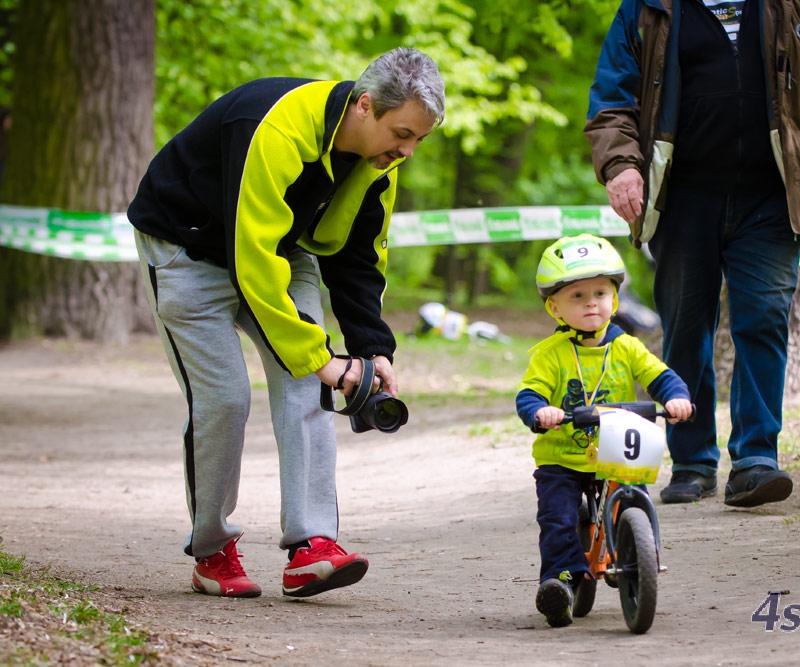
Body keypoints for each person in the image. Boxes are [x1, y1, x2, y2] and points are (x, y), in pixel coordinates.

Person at [127, 48, 445, 598]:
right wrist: (320, 358)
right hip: (185, 246)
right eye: (402, 133)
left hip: (280, 248)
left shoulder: (378, 163)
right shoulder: (274, 128)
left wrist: (371, 350)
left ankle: (311, 547)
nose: (408, 150)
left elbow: (358, 257)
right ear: (365, 106)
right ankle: (212, 549)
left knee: (308, 385)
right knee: (225, 399)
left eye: (419, 139)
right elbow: (248, 255)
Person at [585, 0, 800, 507]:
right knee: (687, 326)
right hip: (683, 196)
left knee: (764, 319)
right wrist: (622, 165)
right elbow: (611, 98)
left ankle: (756, 460)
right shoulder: (649, 9)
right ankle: (692, 462)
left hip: (771, 196)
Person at [515, 234, 693, 627]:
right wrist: (539, 411)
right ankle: (559, 582)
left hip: (617, 453)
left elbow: (659, 376)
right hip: (562, 457)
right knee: (559, 518)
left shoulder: (628, 347)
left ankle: (637, 555)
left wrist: (676, 397)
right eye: (577, 296)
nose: (591, 302)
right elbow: (528, 395)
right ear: (554, 306)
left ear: (615, 298)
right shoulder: (550, 354)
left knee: (632, 502)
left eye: (600, 292)